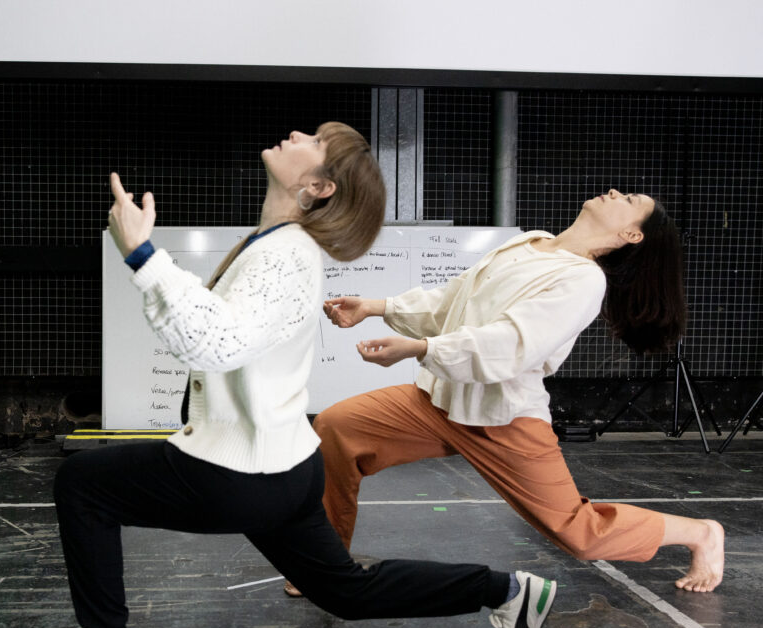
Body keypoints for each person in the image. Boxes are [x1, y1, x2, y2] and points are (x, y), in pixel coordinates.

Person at [30, 122, 559, 628]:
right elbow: (228, 331)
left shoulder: (285, 255)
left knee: (82, 484)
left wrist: (141, 254)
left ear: (319, 186)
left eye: (314, 141)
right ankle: (508, 591)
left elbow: (216, 343)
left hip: (238, 474)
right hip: (285, 468)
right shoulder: (275, 244)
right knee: (345, 593)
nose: (296, 133)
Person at [289, 189, 725, 600]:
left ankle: (701, 532)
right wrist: (377, 306)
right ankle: (325, 565)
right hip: (439, 401)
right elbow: (453, 300)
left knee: (580, 535)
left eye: (628, 200)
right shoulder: (528, 243)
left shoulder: (583, 280)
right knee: (336, 428)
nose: (614, 192)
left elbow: (511, 344)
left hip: (503, 416)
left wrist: (422, 349)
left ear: (632, 235)